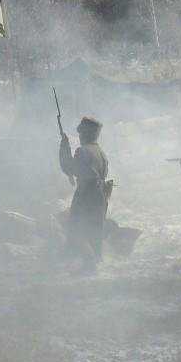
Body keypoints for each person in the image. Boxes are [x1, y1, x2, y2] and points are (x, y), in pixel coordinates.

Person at [59, 116, 111, 274]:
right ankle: (92, 263)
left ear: (86, 133)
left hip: (86, 195)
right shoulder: (100, 152)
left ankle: (90, 264)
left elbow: (70, 168)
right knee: (94, 228)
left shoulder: (83, 151)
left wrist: (64, 146)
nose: (80, 135)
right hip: (100, 196)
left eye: (81, 132)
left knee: (77, 228)